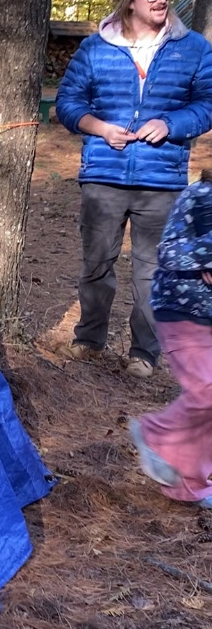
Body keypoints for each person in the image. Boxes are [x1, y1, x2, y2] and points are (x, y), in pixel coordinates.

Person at [55, 0, 212, 378]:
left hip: (162, 180)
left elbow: (207, 104)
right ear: (130, 2)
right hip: (103, 176)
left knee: (152, 271)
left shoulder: (194, 48)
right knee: (96, 264)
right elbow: (67, 104)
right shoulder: (95, 48)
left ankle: (144, 354)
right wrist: (100, 128)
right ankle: (89, 341)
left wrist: (171, 124)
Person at [130, 170, 212, 507]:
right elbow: (169, 253)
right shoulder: (200, 196)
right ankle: (154, 433)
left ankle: (190, 484)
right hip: (182, 312)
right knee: (207, 392)